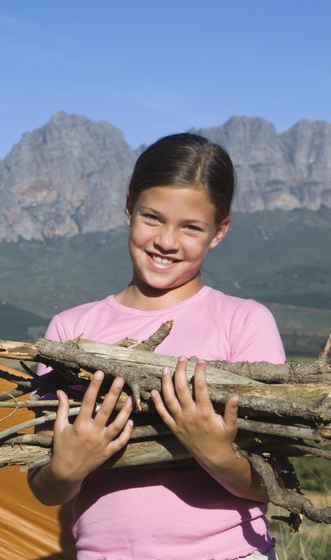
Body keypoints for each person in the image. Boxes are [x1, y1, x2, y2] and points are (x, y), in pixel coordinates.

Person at [28, 133, 285, 560]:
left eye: (191, 227)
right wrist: (65, 469)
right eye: (152, 217)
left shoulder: (244, 321)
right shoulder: (70, 330)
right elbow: (44, 487)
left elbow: (271, 480)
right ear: (129, 208)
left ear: (219, 232)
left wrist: (217, 454)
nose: (167, 241)